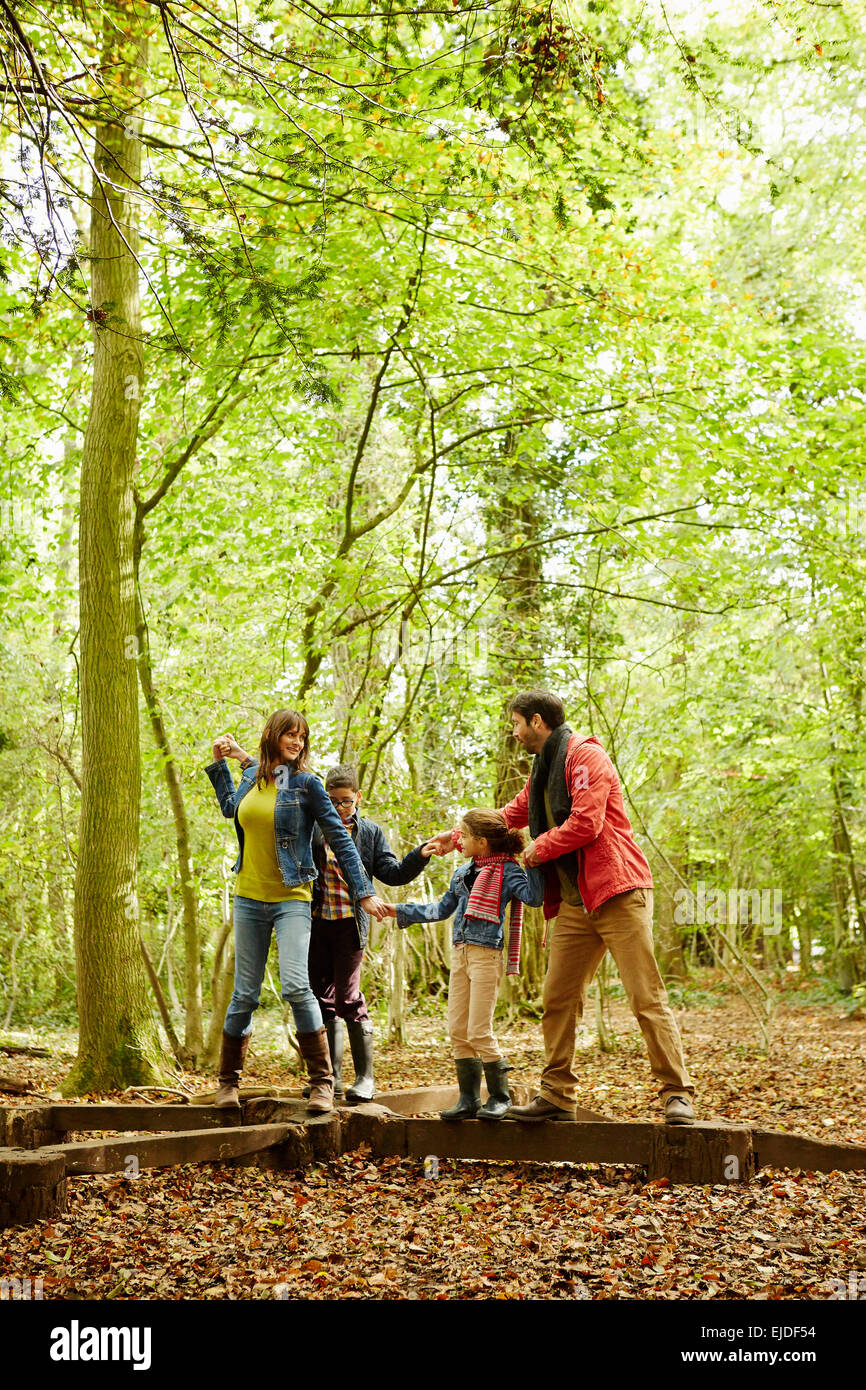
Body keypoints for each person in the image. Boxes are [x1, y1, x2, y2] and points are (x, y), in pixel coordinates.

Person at [426, 690, 696, 1125]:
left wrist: (539, 848)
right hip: (573, 902)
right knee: (557, 999)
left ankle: (677, 1094)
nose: (514, 733)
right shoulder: (541, 771)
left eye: (517, 724)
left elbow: (587, 822)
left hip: (616, 892)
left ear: (537, 721)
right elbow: (508, 815)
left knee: (645, 997)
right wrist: (455, 837)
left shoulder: (585, 757)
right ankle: (557, 1095)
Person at [205, 710, 387, 1114]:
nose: (297, 742)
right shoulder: (256, 777)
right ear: (272, 735)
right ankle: (228, 1082)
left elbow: (340, 837)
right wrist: (223, 763)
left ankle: (323, 1082)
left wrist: (363, 892)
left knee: (296, 986)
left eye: (301, 737)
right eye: (290, 734)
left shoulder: (304, 784)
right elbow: (231, 808)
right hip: (248, 897)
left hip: (292, 898)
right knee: (244, 994)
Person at [386, 809, 544, 1121]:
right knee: (458, 1030)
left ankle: (500, 1096)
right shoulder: (461, 873)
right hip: (460, 954)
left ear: (482, 842)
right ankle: (468, 1099)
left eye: (465, 836)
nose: (459, 840)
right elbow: (441, 909)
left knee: (479, 1031)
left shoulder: (508, 871)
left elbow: (533, 897)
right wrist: (399, 911)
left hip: (487, 956)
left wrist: (535, 862)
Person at [307, 764, 434, 1103]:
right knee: (321, 999)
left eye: (346, 801)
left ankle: (365, 1078)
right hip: (317, 923)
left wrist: (420, 855)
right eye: (332, 801)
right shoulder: (315, 829)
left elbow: (392, 873)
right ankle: (330, 1079)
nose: (339, 807)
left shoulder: (370, 833)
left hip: (350, 925)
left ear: (358, 797)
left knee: (348, 997)